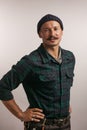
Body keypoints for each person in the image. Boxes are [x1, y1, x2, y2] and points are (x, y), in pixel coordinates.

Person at [0, 14, 75, 130]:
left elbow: (65, 84)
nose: (52, 34)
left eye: (56, 29)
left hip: (66, 123)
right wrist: (21, 114)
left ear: (62, 32)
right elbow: (2, 87)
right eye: (46, 30)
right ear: (40, 34)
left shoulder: (69, 57)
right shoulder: (30, 62)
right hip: (41, 125)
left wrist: (63, 103)